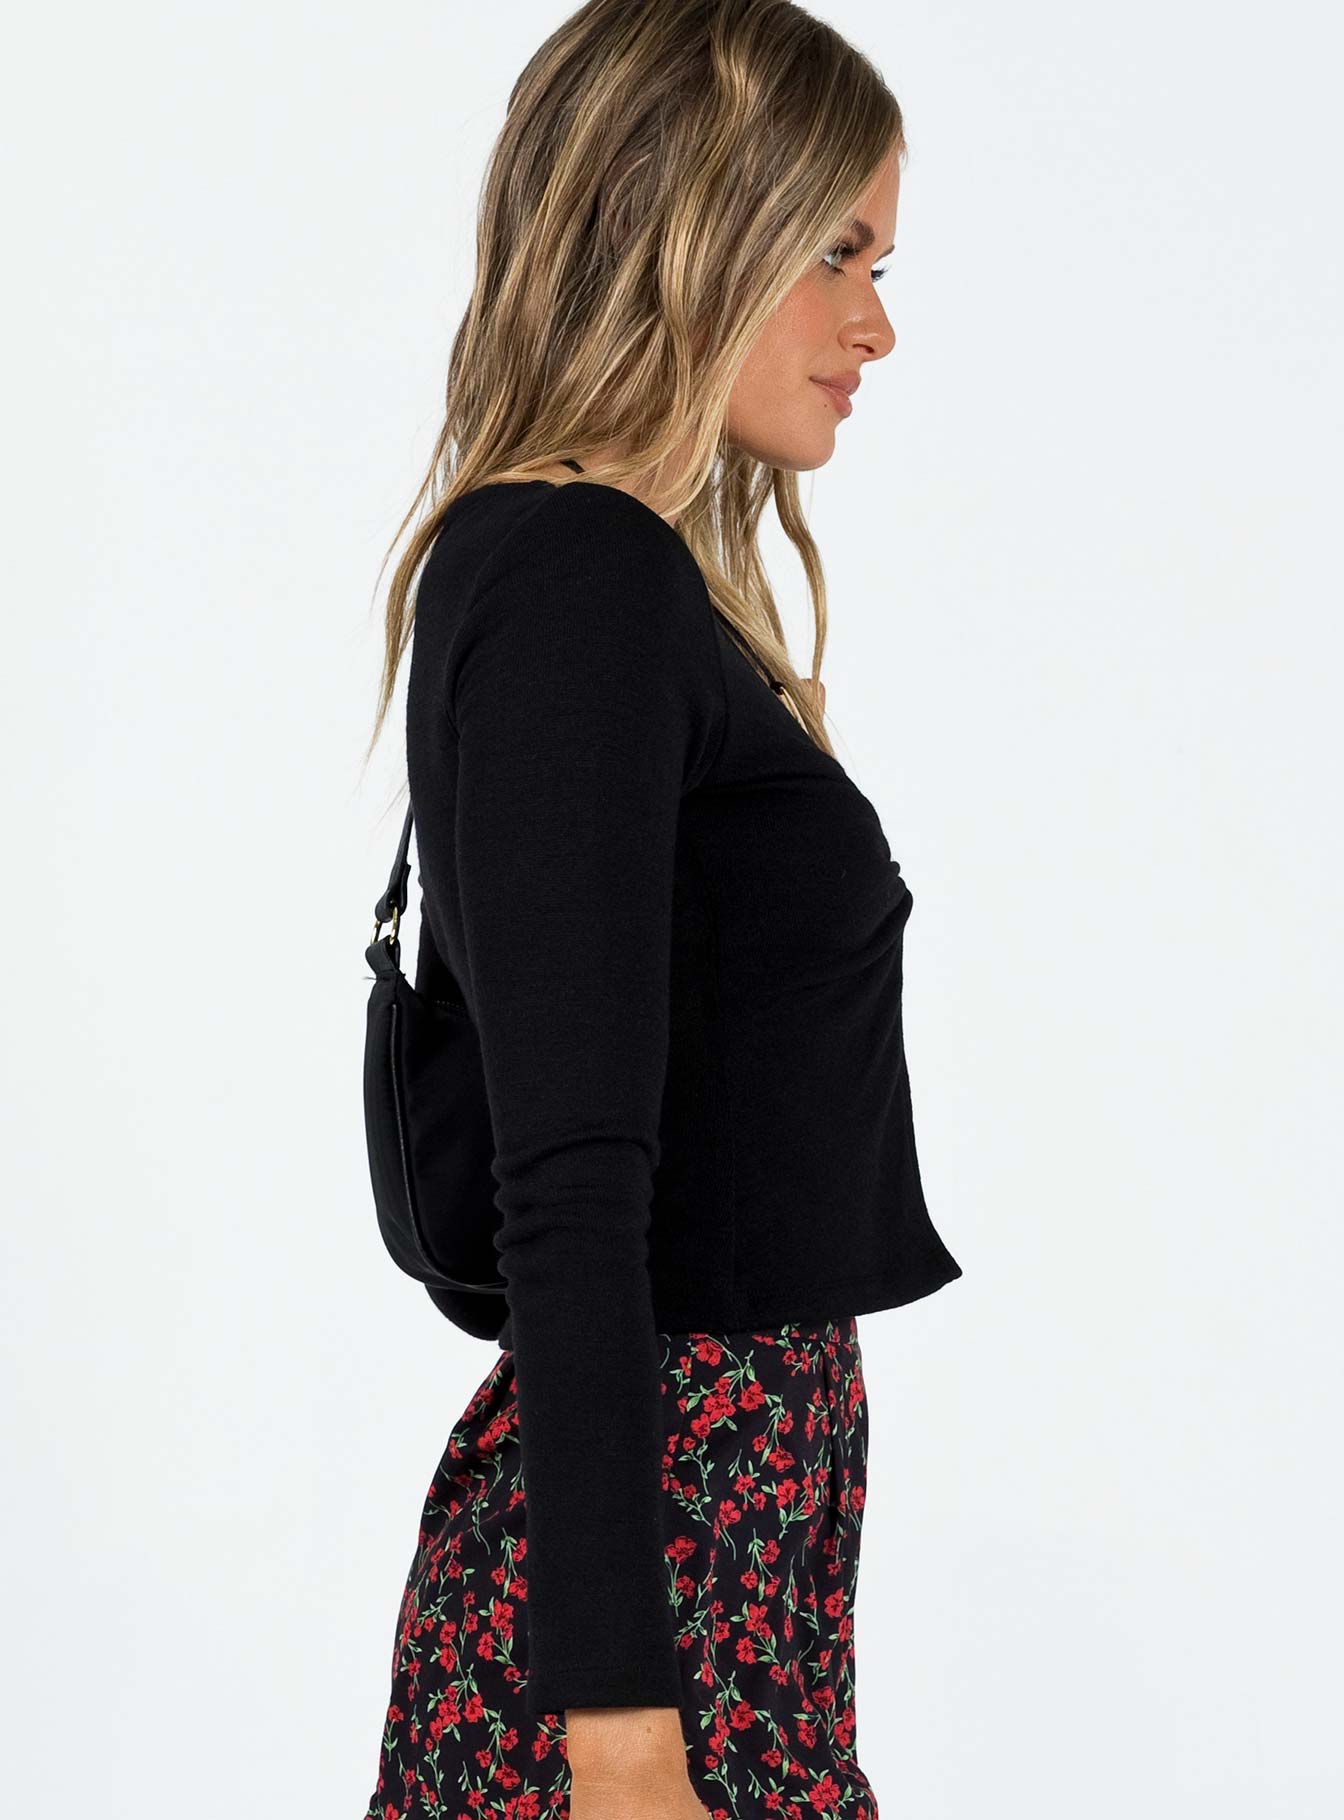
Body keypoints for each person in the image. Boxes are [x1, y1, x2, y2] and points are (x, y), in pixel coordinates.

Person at [359, 3, 962, 1814]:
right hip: (655, 1613)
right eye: (835, 251)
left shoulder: (600, 581)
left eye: (881, 263)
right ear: (687, 223)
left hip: (721, 1566)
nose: (874, 324)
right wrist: (621, 1732)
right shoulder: (581, 583)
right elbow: (570, 1180)